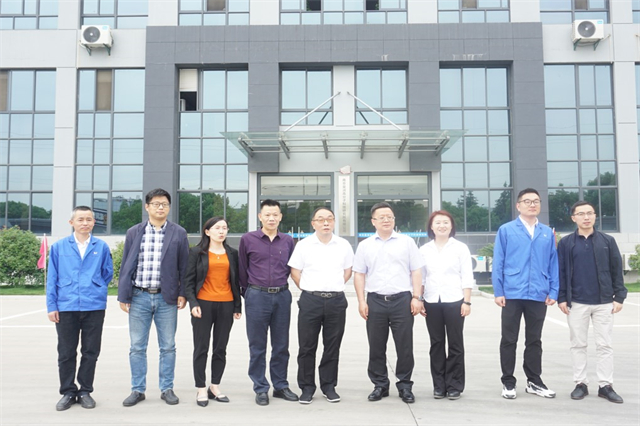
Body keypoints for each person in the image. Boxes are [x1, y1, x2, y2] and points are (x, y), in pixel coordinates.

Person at [117, 188, 189, 407]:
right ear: (147, 207)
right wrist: (123, 295)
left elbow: (184, 266)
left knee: (168, 346)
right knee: (137, 346)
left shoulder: (178, 233)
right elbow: (126, 264)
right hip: (138, 296)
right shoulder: (134, 232)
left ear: (169, 207)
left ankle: (167, 388)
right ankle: (137, 390)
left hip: (167, 298)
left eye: (164, 204)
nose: (160, 207)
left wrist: (183, 293)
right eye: (156, 204)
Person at [352, 202, 425, 404]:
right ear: (373, 221)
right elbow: (359, 274)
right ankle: (380, 385)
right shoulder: (365, 245)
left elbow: (416, 271)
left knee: (404, 346)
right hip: (375, 300)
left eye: (390, 217)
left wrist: (416, 297)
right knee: (376, 346)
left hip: (402, 300)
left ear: (394, 220)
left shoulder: (407, 242)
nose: (386, 220)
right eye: (381, 217)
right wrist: (361, 301)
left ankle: (405, 385)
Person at [557, 200, 627, 403]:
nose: (586, 217)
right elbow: (561, 272)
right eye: (581, 214)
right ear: (574, 218)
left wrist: (619, 296)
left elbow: (616, 269)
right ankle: (581, 383)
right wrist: (562, 297)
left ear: (595, 216)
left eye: (590, 213)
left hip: (604, 302)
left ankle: (605, 385)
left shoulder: (607, 241)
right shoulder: (566, 243)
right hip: (577, 302)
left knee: (605, 345)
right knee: (578, 345)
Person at [492, 188, 559, 400]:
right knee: (509, 339)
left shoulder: (547, 232)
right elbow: (498, 261)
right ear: (518, 205)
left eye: (536, 201)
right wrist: (498, 290)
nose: (532, 204)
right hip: (512, 292)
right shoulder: (506, 230)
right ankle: (508, 382)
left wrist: (554, 290)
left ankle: (534, 381)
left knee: (534, 340)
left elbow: (553, 263)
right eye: (527, 201)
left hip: (538, 292)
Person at [46, 206, 113, 411]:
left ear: (94, 222)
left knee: (91, 351)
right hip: (66, 305)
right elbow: (52, 278)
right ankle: (68, 391)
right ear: (72, 223)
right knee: (66, 352)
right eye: (81, 219)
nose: (85, 223)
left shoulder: (101, 246)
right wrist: (52, 305)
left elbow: (107, 273)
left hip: (94, 305)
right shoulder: (59, 247)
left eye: (89, 219)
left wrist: (95, 286)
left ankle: (85, 391)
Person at [288, 207, 354, 404]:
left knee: (332, 346)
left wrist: (334, 287)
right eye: (321, 219)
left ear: (334, 222)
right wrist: (308, 289)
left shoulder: (343, 245)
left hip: (336, 301)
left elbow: (348, 270)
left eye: (329, 219)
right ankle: (307, 387)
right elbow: (295, 272)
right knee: (307, 346)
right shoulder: (304, 245)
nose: (326, 223)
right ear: (313, 223)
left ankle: (329, 386)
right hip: (311, 300)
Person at [238, 199, 298, 406]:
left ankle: (280, 386)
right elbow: (242, 269)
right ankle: (261, 387)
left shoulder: (288, 241)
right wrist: (249, 294)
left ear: (280, 217)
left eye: (275, 215)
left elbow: (291, 268)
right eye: (267, 215)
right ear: (260, 217)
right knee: (257, 345)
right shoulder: (248, 239)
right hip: (257, 295)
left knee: (281, 345)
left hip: (282, 296)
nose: (271, 218)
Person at [184, 217, 242, 407]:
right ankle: (201, 387)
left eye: (224, 228)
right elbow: (188, 281)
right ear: (207, 231)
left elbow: (235, 281)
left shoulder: (232, 253)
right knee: (201, 347)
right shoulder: (196, 253)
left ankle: (214, 386)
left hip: (226, 304)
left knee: (220, 348)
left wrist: (237, 306)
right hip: (203, 304)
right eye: (217, 228)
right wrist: (193, 303)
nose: (221, 231)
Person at [419, 210, 473, 401]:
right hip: (432, 301)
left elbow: (467, 276)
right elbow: (421, 278)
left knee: (455, 344)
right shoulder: (424, 250)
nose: (442, 226)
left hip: (455, 300)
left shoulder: (460, 248)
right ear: (431, 227)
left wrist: (467, 301)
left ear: (451, 226)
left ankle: (454, 385)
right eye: (438, 223)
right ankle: (439, 385)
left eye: (445, 222)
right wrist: (419, 299)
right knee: (436, 344)